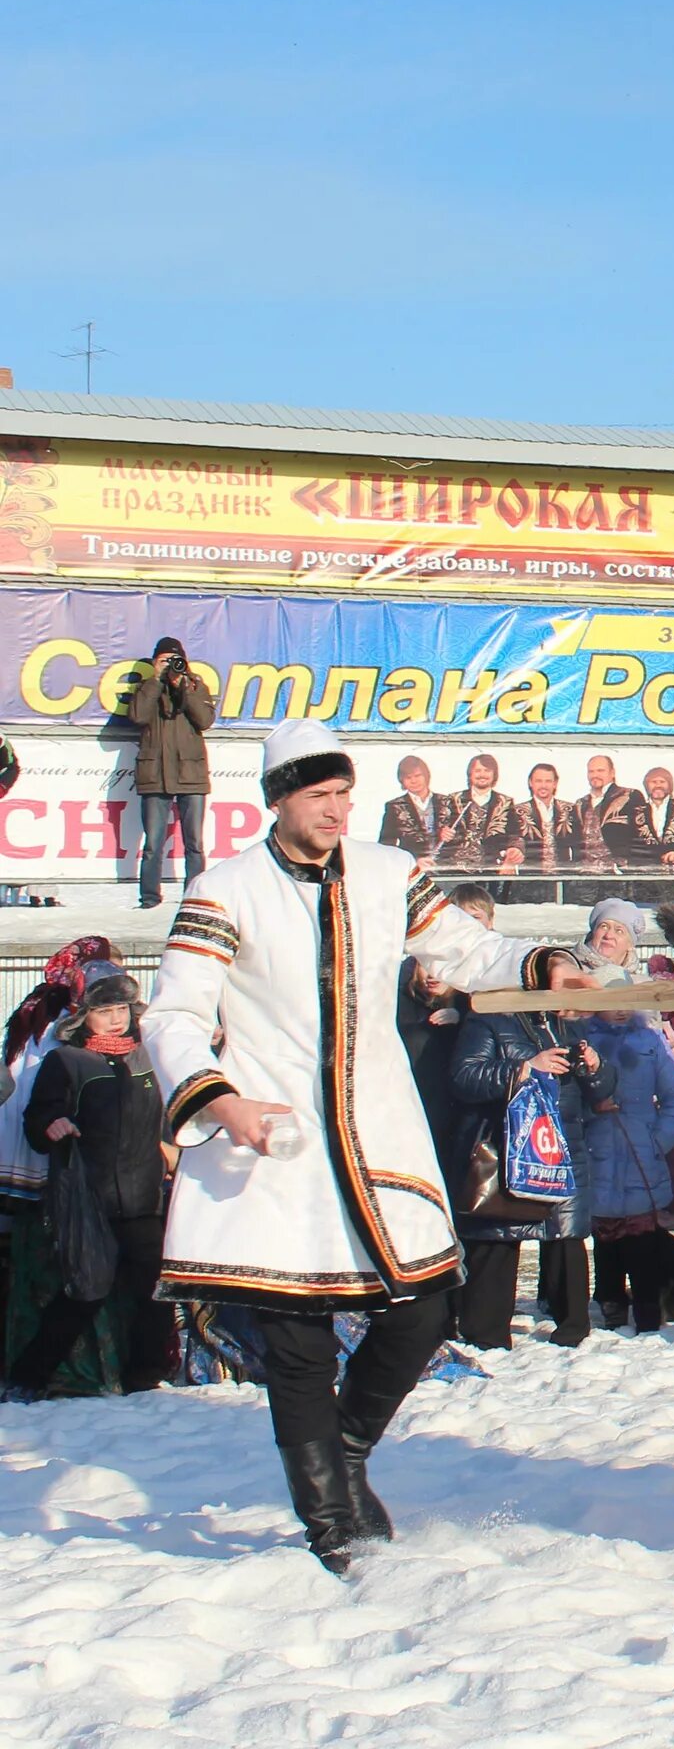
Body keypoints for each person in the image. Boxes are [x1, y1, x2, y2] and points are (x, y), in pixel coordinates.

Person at [146, 718, 547, 1573]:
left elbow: (471, 951)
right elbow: (174, 1015)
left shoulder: (387, 873)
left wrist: (544, 964)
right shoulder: (226, 889)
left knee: (426, 1308)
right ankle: (335, 1526)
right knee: (296, 1342)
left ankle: (349, 1446)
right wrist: (220, 1101)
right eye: (320, 796)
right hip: (274, 1145)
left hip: (377, 1133)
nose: (337, 811)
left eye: (344, 796)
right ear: (280, 798)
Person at [7, 968, 174, 1398]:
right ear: (85, 1017)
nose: (117, 1019)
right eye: (105, 1011)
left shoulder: (150, 1057)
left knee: (153, 1291)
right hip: (87, 1198)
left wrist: (173, 1146)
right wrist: (53, 1124)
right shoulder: (65, 1062)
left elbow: (173, 1112)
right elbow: (36, 1120)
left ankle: (146, 1377)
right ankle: (28, 1378)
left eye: (122, 1009)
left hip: (144, 1195)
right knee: (85, 1291)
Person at [447, 950, 610, 1349]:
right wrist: (524, 1068)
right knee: (500, 1233)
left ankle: (572, 1325)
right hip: (509, 1143)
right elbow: (464, 1076)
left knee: (567, 1234)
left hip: (561, 1143)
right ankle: (485, 1333)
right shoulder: (489, 1017)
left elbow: (603, 1094)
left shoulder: (563, 1024)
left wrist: (596, 1067)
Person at [575, 960, 674, 1332]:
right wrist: (590, 1114)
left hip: (640, 1152)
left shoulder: (648, 1041)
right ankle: (609, 1301)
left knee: (641, 1237)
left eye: (627, 998)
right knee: (605, 1235)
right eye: (611, 999)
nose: (621, 1007)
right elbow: (568, 1097)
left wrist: (658, 1138)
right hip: (598, 1152)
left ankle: (648, 1312)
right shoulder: (580, 1041)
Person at [128, 636, 215, 908]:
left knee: (194, 843)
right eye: (164, 660)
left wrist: (181, 687)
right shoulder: (146, 689)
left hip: (191, 775)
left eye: (175, 661)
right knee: (153, 844)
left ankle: (195, 898)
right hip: (155, 775)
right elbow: (138, 717)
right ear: (154, 662)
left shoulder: (196, 686)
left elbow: (205, 720)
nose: (171, 666)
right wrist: (155, 680)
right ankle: (150, 899)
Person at [513, 762, 590, 904]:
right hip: (530, 882)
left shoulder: (570, 809)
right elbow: (513, 841)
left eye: (548, 781)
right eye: (539, 781)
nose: (543, 785)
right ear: (531, 783)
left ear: (555, 783)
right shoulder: (518, 811)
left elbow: (580, 845)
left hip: (565, 880)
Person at [578, 754, 635, 877]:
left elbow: (639, 834)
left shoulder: (629, 795)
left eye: (600, 770)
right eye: (591, 771)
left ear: (612, 772)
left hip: (617, 873)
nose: (595, 775)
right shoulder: (580, 803)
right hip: (586, 875)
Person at [378, 756, 443, 861]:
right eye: (408, 777)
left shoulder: (446, 801)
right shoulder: (394, 806)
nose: (414, 781)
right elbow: (386, 845)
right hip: (411, 868)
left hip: (445, 867)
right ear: (402, 781)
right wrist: (413, 862)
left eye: (418, 775)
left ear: (426, 776)